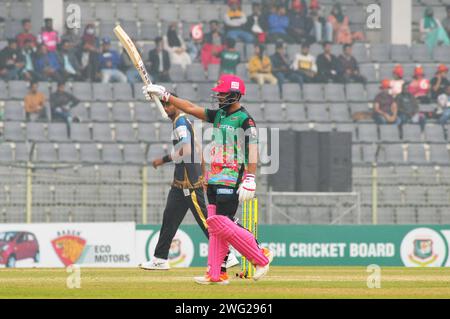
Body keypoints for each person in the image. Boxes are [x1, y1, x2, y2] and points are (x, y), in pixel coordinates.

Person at [142, 74, 274, 285]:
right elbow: (191, 107)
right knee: (215, 228)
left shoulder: (244, 119)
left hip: (231, 179)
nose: (219, 97)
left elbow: (253, 148)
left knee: (219, 223)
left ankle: (260, 255)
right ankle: (215, 274)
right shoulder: (219, 115)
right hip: (213, 178)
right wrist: (166, 95)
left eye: (223, 94)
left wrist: (250, 176)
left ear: (234, 94)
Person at [139, 93, 239, 271]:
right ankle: (159, 258)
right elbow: (198, 149)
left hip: (189, 184)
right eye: (163, 106)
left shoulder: (180, 123)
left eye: (168, 105)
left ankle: (227, 255)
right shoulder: (183, 122)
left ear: (175, 106)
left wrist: (162, 160)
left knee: (206, 221)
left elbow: (187, 149)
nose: (166, 109)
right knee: (169, 220)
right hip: (180, 184)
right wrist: (203, 173)